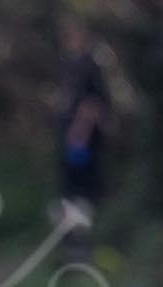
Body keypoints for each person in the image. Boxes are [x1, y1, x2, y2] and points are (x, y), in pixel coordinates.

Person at [55, 16, 110, 233]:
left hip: (83, 135)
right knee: (71, 180)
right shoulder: (71, 63)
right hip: (72, 133)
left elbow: (92, 102)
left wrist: (80, 130)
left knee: (85, 180)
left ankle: (89, 227)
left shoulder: (88, 64)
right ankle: (75, 228)